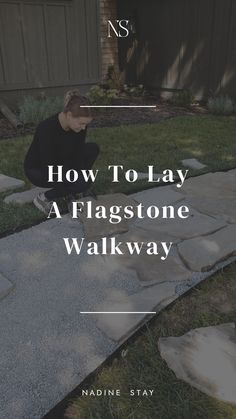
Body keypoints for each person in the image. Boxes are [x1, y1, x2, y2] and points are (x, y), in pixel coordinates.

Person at [24, 89, 99, 215]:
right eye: (81, 123)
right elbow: (49, 166)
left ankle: (74, 192)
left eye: (86, 124)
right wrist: (75, 178)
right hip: (40, 169)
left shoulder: (79, 126)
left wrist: (79, 176)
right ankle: (44, 198)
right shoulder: (46, 128)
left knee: (92, 149)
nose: (84, 127)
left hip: (63, 160)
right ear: (69, 115)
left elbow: (78, 152)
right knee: (81, 182)